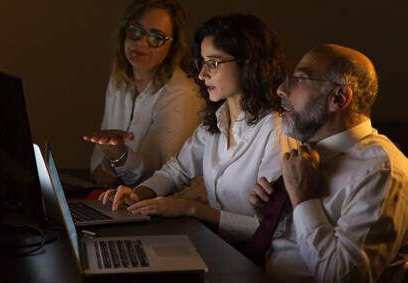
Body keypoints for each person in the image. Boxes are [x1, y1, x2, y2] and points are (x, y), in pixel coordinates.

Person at [100, 14, 299, 243]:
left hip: (260, 264)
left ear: (248, 63)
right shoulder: (216, 120)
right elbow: (177, 171)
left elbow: (275, 229)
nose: (203, 75)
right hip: (221, 248)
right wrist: (137, 194)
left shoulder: (276, 131)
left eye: (213, 63)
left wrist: (191, 209)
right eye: (202, 63)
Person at [248, 44, 408, 283]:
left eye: (298, 79)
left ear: (338, 98)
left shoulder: (382, 171)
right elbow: (292, 249)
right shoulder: (310, 155)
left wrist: (303, 200)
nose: (281, 90)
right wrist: (267, 216)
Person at [83, 0, 204, 189]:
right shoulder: (119, 79)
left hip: (161, 207)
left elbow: (151, 175)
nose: (141, 42)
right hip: (118, 197)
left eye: (156, 37)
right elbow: (98, 150)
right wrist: (102, 170)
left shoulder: (182, 93)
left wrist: (118, 156)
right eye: (135, 31)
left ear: (172, 48)